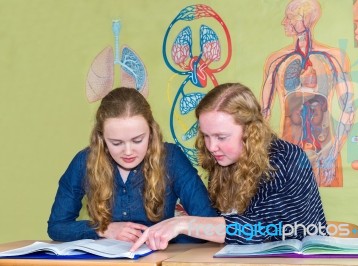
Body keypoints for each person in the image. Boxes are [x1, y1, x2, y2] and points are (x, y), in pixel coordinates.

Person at [130, 82, 327, 251]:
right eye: (206, 135)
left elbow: (262, 230)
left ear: (251, 132)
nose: (211, 146)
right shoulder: (225, 159)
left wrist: (183, 223)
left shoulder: (287, 159)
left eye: (221, 137)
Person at [47, 87, 217, 243]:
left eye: (137, 140)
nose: (128, 151)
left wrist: (168, 236)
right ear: (101, 139)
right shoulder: (84, 162)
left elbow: (208, 223)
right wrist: (103, 229)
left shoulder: (171, 157)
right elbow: (57, 227)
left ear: (151, 132)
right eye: (116, 143)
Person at [261, 0, 355, 187]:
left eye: (290, 17)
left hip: (326, 150)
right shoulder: (276, 60)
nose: (283, 22)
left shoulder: (333, 57)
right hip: (288, 150)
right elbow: (263, 114)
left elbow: (348, 107)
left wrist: (334, 152)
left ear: (305, 19)